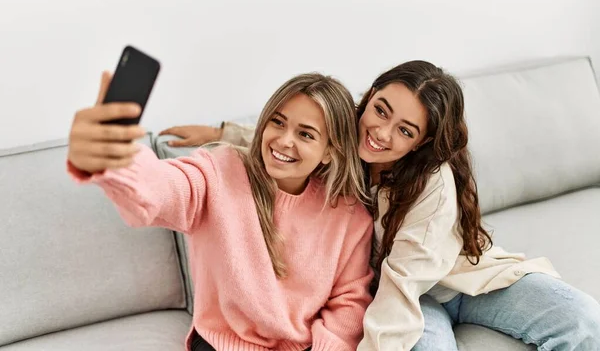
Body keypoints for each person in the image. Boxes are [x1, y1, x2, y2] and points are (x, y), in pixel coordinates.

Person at [161, 60, 600, 350]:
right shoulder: (342, 138)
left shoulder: (433, 185)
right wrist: (221, 130)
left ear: (423, 142)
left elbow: (405, 285)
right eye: (381, 110)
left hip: (461, 279)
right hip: (393, 297)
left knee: (583, 318)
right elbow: (290, 140)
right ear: (367, 98)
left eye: (406, 131)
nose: (382, 134)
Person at [67, 71, 375, 351]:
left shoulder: (349, 216)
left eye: (305, 134)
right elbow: (162, 187)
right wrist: (116, 158)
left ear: (329, 152)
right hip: (222, 344)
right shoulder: (220, 170)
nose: (283, 140)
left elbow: (349, 302)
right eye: (277, 122)